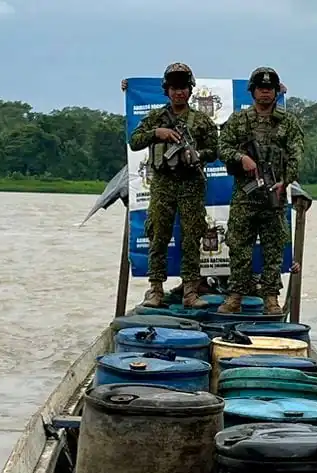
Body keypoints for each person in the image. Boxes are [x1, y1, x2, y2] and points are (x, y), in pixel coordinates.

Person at [127, 63, 220, 309]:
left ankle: (190, 291)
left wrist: (198, 154)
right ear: (167, 91)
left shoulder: (201, 121)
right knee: (158, 235)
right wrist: (157, 133)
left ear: (190, 90)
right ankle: (156, 289)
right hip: (163, 184)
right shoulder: (156, 118)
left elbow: (215, 150)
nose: (179, 92)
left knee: (191, 237)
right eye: (174, 88)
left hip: (191, 184)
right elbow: (134, 141)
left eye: (183, 88)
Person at [217, 66, 305, 315]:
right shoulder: (239, 120)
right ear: (253, 91)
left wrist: (285, 181)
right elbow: (222, 147)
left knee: (273, 248)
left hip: (274, 194)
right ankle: (235, 296)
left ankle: (270, 298)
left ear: (276, 92)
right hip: (245, 194)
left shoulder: (287, 122)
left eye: (269, 89)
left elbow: (296, 155)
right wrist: (241, 158)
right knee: (239, 246)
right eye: (261, 88)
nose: (265, 92)